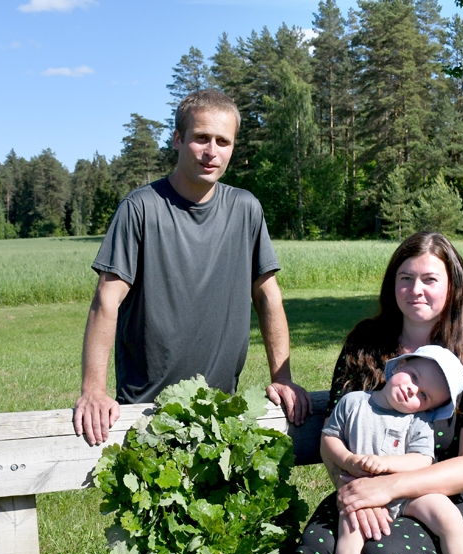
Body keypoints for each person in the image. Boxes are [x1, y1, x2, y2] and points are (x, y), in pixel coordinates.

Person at [73, 88, 311, 446]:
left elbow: (268, 297)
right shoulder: (141, 208)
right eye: (201, 138)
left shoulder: (245, 209)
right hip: (147, 410)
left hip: (222, 410)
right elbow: (107, 300)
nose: (211, 151)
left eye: (223, 141)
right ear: (177, 139)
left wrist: (284, 377)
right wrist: (94, 389)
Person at [299, 231, 463, 554]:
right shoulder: (365, 342)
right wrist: (355, 491)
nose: (416, 289)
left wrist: (388, 488)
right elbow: (336, 433)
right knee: (316, 552)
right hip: (359, 485)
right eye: (406, 278)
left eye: (430, 280)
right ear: (392, 283)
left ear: (453, 287)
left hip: (452, 498)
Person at [319, 345, 463, 554]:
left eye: (424, 396)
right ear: (400, 366)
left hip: (407, 493)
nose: (412, 389)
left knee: (448, 514)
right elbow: (330, 439)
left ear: (428, 408)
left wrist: (389, 465)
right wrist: (347, 459)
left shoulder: (418, 422)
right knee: (349, 533)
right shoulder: (355, 402)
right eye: (414, 377)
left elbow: (422, 460)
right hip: (363, 494)